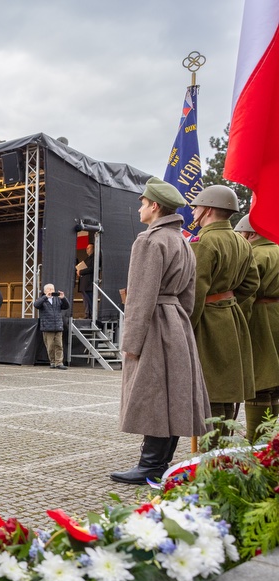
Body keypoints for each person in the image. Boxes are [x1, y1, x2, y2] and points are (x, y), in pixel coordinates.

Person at [111, 177, 210, 484]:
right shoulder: (182, 240)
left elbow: (140, 295)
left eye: (142, 203)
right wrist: (178, 322)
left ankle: (149, 465)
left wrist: (132, 341)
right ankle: (160, 462)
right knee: (174, 395)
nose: (139, 208)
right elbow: (189, 297)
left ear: (154, 206)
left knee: (154, 394)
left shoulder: (149, 240)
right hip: (176, 320)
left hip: (154, 321)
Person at [188, 185, 257, 436]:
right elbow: (252, 284)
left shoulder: (205, 242)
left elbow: (195, 292)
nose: (193, 210)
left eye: (196, 206)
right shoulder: (242, 242)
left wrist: (186, 328)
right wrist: (227, 300)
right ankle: (223, 448)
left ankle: (212, 455)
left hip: (207, 320)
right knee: (227, 389)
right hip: (231, 316)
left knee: (212, 388)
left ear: (207, 208)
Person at [234, 216, 279, 441]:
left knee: (258, 381)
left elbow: (247, 292)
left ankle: (255, 442)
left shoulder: (255, 254)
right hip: (276, 317)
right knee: (274, 383)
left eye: (242, 235)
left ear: (251, 234)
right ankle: (270, 441)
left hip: (259, 320)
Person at [34, 284, 71, 370]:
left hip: (58, 325)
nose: (51, 291)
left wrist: (63, 298)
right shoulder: (42, 300)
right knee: (50, 346)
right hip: (47, 326)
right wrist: (45, 297)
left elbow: (66, 306)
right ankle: (52, 361)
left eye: (53, 289)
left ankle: (59, 362)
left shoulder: (57, 299)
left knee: (59, 345)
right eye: (49, 289)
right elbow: (36, 305)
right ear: (45, 291)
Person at [76, 243, 97, 319]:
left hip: (88, 283)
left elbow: (92, 268)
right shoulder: (88, 258)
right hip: (84, 283)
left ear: (93, 249)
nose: (86, 250)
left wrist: (81, 271)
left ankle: (90, 315)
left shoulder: (94, 258)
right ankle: (87, 314)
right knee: (86, 301)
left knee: (89, 300)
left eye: (89, 248)